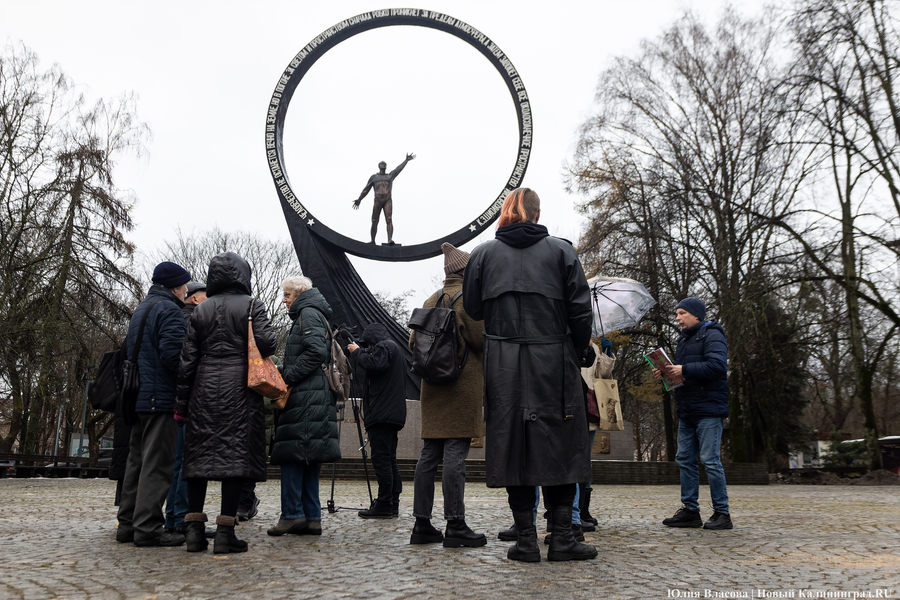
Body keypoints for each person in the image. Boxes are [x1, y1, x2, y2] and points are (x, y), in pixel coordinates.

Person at [462, 187, 598, 563]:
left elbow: (473, 308)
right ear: (537, 215)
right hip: (553, 357)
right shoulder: (561, 251)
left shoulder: (483, 255)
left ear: (505, 213)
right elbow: (580, 311)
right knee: (562, 445)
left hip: (503, 360)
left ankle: (525, 541)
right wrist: (576, 349)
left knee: (512, 444)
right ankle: (562, 539)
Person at [176, 252, 278, 553]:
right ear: (243, 276)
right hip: (240, 388)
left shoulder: (201, 309)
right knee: (235, 459)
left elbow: (187, 360)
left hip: (203, 388)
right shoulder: (252, 305)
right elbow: (268, 343)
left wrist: (181, 404)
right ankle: (224, 533)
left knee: (198, 459)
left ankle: (193, 532)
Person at [409, 243, 487, 548]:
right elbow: (482, 339)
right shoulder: (469, 300)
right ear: (466, 272)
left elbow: (414, 339)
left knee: (429, 455)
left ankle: (422, 524)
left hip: (432, 388)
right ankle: (455, 524)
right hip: (461, 387)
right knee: (456, 455)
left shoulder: (430, 299)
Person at [115, 261, 191, 547]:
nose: (185, 291)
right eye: (184, 286)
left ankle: (127, 524)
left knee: (136, 461)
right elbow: (174, 357)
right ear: (175, 286)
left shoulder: (142, 308)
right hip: (159, 397)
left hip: (137, 398)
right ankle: (148, 527)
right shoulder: (169, 309)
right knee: (157, 465)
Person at [267, 275, 341, 537]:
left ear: (298, 294)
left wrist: (285, 375)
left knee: (292, 455)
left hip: (306, 397)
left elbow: (314, 353)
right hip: (315, 396)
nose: (284, 300)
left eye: (286, 295)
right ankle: (312, 518)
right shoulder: (314, 313)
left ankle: (291, 515)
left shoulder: (307, 313)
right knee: (309, 458)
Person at [655, 297, 732, 530]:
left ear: (696, 315)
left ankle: (722, 513)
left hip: (709, 409)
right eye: (677, 314)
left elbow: (718, 366)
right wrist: (667, 374)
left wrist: (684, 369)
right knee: (684, 460)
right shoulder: (683, 340)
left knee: (710, 460)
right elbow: (684, 377)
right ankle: (690, 511)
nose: (677, 318)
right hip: (687, 409)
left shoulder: (713, 334)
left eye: (681, 313)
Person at [347, 323, 407, 518]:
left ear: (373, 341)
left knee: (382, 460)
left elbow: (374, 364)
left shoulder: (384, 347)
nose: (368, 350)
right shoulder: (393, 349)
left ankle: (384, 505)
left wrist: (356, 352)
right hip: (389, 415)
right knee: (389, 459)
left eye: (368, 346)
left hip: (383, 414)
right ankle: (392, 503)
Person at [165, 281, 207, 536]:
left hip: (179, 401)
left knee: (179, 462)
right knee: (186, 463)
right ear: (195, 299)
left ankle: (174, 517)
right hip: (188, 401)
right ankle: (181, 519)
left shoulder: (183, 318)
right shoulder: (191, 323)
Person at [352, 153, 415, 245]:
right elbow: (366, 189)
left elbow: (398, 169)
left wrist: (406, 161)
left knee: (389, 219)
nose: (384, 164)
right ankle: (372, 240)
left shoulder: (390, 176)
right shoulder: (374, 177)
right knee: (374, 220)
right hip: (377, 200)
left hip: (387, 200)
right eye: (382, 164)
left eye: (385, 164)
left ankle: (390, 239)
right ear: (379, 166)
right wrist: (359, 199)